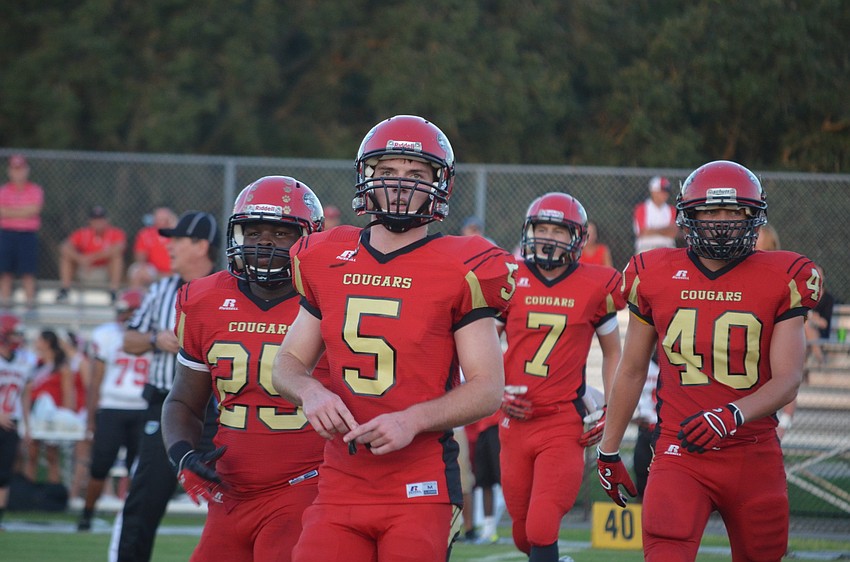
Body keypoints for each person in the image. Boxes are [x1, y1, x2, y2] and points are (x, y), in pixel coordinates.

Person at [271, 114, 518, 561]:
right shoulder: (325, 253)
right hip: (340, 479)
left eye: (415, 174)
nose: (400, 185)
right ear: (367, 177)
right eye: (388, 172)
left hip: (419, 481)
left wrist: (413, 419)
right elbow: (287, 360)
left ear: (440, 184)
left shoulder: (464, 263)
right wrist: (309, 391)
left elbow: (487, 388)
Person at [597, 160, 823, 562]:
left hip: (752, 452)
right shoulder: (654, 271)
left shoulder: (784, 274)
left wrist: (731, 415)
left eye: (734, 212)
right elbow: (632, 369)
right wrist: (608, 449)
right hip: (679, 452)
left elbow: (788, 378)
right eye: (711, 211)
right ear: (689, 216)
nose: (722, 222)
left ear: (754, 217)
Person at [162, 176, 327, 561]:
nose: (264, 242)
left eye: (280, 233)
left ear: (309, 239)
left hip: (305, 487)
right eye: (253, 231)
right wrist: (184, 454)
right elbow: (184, 401)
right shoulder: (202, 299)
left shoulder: (332, 300)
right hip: (230, 494)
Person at [498, 192, 624, 561]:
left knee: (541, 525)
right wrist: (495, 391)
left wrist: (611, 409)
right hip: (513, 419)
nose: (549, 236)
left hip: (562, 421)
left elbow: (616, 352)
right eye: (542, 228)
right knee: (523, 535)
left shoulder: (597, 284)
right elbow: (485, 345)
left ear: (578, 238)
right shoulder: (507, 278)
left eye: (558, 229)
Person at [109, 210, 220, 562]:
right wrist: (158, 339)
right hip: (165, 407)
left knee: (238, 499)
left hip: (221, 412)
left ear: (202, 245)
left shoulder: (229, 287)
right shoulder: (160, 290)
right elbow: (128, 340)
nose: (168, 246)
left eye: (178, 239)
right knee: (145, 500)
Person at [77, 289, 149, 531]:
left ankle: (132, 519)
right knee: (100, 466)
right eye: (124, 311)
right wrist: (90, 417)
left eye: (131, 311)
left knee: (138, 470)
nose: (126, 316)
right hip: (111, 408)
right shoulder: (107, 335)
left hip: (143, 408)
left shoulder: (154, 335)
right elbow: (96, 380)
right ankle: (86, 515)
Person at [25, 329, 76, 484]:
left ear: (47, 342)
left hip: (53, 415)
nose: (36, 344)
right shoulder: (35, 365)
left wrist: (65, 416)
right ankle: (28, 491)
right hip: (34, 413)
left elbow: (67, 393)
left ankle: (53, 490)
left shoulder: (61, 366)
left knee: (52, 455)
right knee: (31, 453)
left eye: (38, 340)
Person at [0, 313, 37, 528]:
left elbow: (25, 395)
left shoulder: (24, 361)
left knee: (4, 473)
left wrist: (27, 425)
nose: (18, 337)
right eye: (14, 333)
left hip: (11, 422)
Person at [0, 154, 44, 311]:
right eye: (15, 169)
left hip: (27, 234)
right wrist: (23, 212)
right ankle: (5, 307)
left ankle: (29, 306)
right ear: (10, 171)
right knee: (5, 272)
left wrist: (10, 211)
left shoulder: (35, 190)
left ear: (27, 170)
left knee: (28, 272)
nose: (18, 173)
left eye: (21, 169)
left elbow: (35, 209)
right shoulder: (3, 190)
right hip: (7, 233)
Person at [57, 205, 127, 304]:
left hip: (105, 271)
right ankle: (65, 290)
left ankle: (113, 292)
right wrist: (80, 258)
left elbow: (120, 247)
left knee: (117, 258)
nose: (98, 222)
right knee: (66, 257)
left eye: (101, 219)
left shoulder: (115, 233)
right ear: (90, 221)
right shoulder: (82, 233)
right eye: (95, 219)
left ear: (107, 220)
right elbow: (64, 247)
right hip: (85, 270)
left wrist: (91, 258)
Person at [633, 175, 678, 254]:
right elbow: (643, 232)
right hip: (646, 250)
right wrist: (665, 230)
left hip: (667, 249)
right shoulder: (641, 208)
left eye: (667, 191)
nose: (666, 194)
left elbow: (673, 233)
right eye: (662, 191)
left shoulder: (672, 210)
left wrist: (652, 230)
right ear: (654, 191)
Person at [132, 206, 177, 277]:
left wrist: (174, 227)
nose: (162, 221)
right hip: (154, 272)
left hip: (175, 271)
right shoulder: (146, 233)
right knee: (137, 270)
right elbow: (140, 255)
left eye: (164, 218)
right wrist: (142, 265)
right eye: (159, 218)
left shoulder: (177, 234)